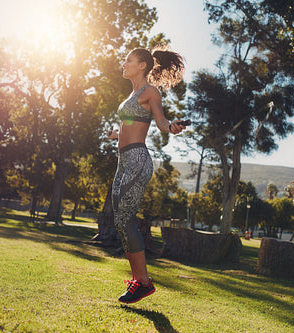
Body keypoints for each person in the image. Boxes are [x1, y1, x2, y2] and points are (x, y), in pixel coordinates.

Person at [107, 46, 186, 304]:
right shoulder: (131, 95)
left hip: (137, 161)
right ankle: (139, 282)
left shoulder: (149, 91)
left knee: (125, 217)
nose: (124, 63)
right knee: (120, 219)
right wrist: (117, 135)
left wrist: (170, 127)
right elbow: (132, 124)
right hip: (123, 161)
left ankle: (143, 283)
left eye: (128, 60)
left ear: (142, 65)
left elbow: (160, 121)